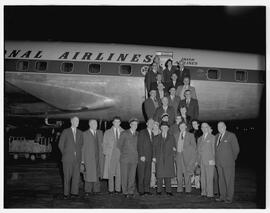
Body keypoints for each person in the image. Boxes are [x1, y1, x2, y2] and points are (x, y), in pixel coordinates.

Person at [58, 116, 83, 199]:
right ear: (71, 122)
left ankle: (74, 193)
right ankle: (66, 193)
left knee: (76, 177)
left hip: (77, 159)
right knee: (67, 177)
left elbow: (81, 145)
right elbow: (60, 144)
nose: (77, 122)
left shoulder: (80, 132)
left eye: (78, 121)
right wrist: (65, 154)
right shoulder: (66, 131)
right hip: (67, 159)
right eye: (76, 121)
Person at [215, 122, 240, 204]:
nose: (220, 128)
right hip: (219, 163)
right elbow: (216, 150)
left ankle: (229, 198)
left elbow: (236, 149)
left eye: (221, 126)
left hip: (228, 163)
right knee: (221, 180)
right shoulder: (216, 136)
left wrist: (232, 160)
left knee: (229, 181)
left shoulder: (231, 135)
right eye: (218, 126)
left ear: (225, 127)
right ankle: (222, 197)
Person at [153, 121, 176, 196]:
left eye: (166, 127)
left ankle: (168, 190)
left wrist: (173, 154)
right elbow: (154, 148)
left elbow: (174, 147)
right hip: (159, 158)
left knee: (168, 175)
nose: (164, 128)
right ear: (161, 128)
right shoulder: (156, 137)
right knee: (160, 175)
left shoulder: (172, 137)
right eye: (163, 127)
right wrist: (154, 157)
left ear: (168, 128)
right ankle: (159, 190)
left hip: (168, 158)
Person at [81, 119, 104, 196]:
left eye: (96, 123)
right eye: (94, 123)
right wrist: (82, 160)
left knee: (97, 173)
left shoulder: (100, 133)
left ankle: (96, 190)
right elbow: (82, 148)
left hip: (98, 157)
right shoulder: (84, 134)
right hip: (89, 158)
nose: (96, 125)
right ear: (90, 125)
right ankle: (87, 190)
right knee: (88, 174)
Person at [118, 118, 139, 198]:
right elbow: (119, 145)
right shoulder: (124, 133)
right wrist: (125, 153)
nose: (135, 126)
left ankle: (131, 191)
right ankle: (125, 192)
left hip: (134, 159)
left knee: (132, 176)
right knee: (124, 176)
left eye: (136, 124)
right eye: (133, 124)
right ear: (130, 125)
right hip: (125, 159)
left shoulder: (138, 134)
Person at [174, 121, 197, 193]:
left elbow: (194, 147)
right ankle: (179, 189)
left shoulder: (190, 135)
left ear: (186, 127)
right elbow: (173, 145)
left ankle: (188, 189)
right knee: (179, 173)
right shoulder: (175, 135)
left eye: (183, 126)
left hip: (187, 156)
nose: (182, 127)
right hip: (178, 156)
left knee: (187, 173)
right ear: (179, 127)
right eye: (181, 126)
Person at [103, 116, 124, 194]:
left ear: (120, 123)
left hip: (120, 155)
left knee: (119, 173)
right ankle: (111, 189)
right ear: (113, 122)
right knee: (110, 173)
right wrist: (106, 153)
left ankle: (118, 189)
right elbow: (104, 143)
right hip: (111, 154)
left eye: (118, 122)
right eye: (115, 122)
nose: (117, 123)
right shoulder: (107, 132)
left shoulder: (123, 131)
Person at [197, 122, 215, 198]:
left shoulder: (212, 137)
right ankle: (203, 192)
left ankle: (210, 193)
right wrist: (198, 161)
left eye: (206, 127)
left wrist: (213, 159)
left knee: (209, 178)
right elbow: (198, 151)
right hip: (201, 161)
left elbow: (214, 150)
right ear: (201, 129)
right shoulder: (199, 139)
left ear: (208, 128)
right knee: (203, 178)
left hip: (209, 161)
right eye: (202, 127)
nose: (204, 128)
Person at [137, 118, 155, 196]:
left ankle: (147, 190)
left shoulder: (153, 134)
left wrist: (153, 156)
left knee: (148, 174)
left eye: (152, 123)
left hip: (149, 157)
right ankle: (141, 191)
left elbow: (153, 147)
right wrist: (141, 155)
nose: (151, 124)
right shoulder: (142, 132)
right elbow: (139, 144)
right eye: (150, 123)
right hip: (143, 157)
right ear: (147, 124)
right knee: (141, 174)